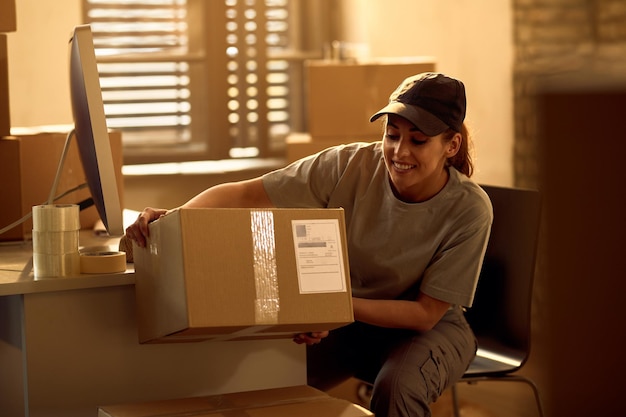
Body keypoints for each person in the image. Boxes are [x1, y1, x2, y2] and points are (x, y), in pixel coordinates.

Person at [125, 72, 493, 417]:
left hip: (430, 329)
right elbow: (246, 194)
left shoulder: (469, 209)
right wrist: (174, 220)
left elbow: (425, 314)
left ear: (451, 145)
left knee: (398, 390)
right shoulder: (348, 165)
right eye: (392, 134)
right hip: (350, 322)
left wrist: (328, 306)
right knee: (260, 380)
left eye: (418, 140)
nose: (399, 151)